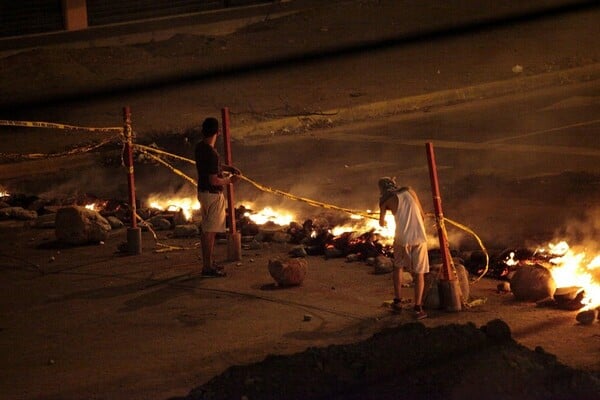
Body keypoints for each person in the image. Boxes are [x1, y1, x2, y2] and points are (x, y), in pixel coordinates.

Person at [378, 177, 429, 320]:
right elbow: (422, 215)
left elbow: (381, 223)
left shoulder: (384, 200)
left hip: (401, 239)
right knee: (419, 273)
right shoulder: (410, 191)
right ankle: (418, 309)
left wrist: (388, 211)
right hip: (419, 237)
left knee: (398, 267)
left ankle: (398, 302)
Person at [195, 117, 240, 277]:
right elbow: (213, 179)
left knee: (207, 230)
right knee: (210, 232)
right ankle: (207, 267)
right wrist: (230, 180)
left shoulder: (200, 147)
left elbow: (211, 166)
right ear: (217, 132)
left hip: (202, 193)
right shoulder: (211, 152)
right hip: (213, 195)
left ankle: (208, 263)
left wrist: (227, 167)